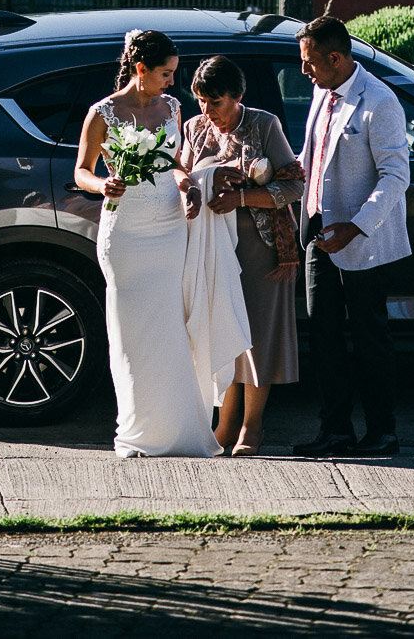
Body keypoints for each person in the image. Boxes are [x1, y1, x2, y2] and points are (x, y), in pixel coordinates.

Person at [75, 29, 247, 458]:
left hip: (170, 229)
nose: (173, 82)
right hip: (126, 233)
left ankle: (181, 430)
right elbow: (82, 169)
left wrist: (188, 184)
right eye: (166, 73)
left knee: (172, 329)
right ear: (141, 70)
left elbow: (173, 163)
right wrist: (102, 184)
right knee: (133, 336)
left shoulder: (171, 107)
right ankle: (139, 431)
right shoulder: (103, 113)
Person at [293, 11, 411, 459]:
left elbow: (396, 176)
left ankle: (383, 433)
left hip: (362, 237)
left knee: (370, 338)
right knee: (323, 334)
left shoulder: (379, 101)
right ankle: (335, 431)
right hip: (318, 233)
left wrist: (357, 225)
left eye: (309, 62)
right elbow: (313, 156)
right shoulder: (321, 92)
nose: (304, 70)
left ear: (336, 57)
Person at [182, 55, 305, 456]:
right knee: (219, 330)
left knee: (257, 337)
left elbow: (293, 187)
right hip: (209, 247)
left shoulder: (264, 124)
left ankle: (252, 427)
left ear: (238, 96)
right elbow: (179, 174)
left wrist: (241, 197)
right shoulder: (193, 128)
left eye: (215, 102)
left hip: (260, 246)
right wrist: (189, 188)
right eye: (201, 100)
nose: (207, 111)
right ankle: (223, 424)